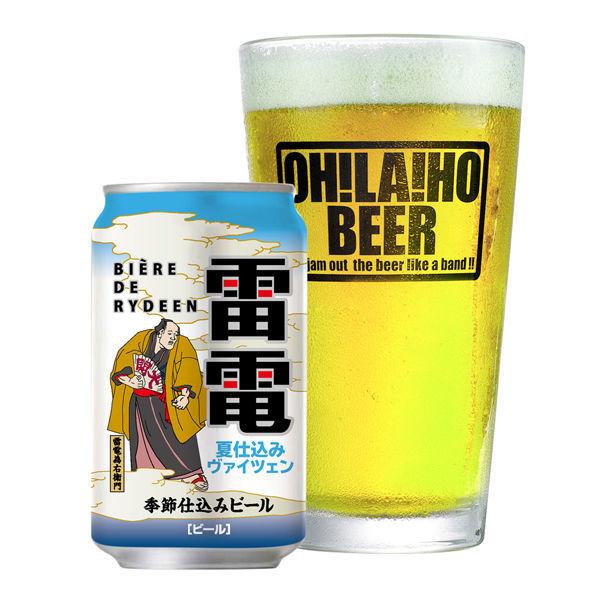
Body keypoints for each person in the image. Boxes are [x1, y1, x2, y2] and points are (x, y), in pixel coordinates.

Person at [108, 319, 208, 490]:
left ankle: (192, 474)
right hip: (140, 401)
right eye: (170, 333)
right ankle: (146, 475)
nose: (173, 338)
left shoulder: (182, 344)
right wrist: (130, 381)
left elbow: (188, 369)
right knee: (143, 439)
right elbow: (123, 361)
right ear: (160, 333)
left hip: (168, 399)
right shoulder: (142, 339)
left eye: (176, 334)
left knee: (179, 435)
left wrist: (185, 395)